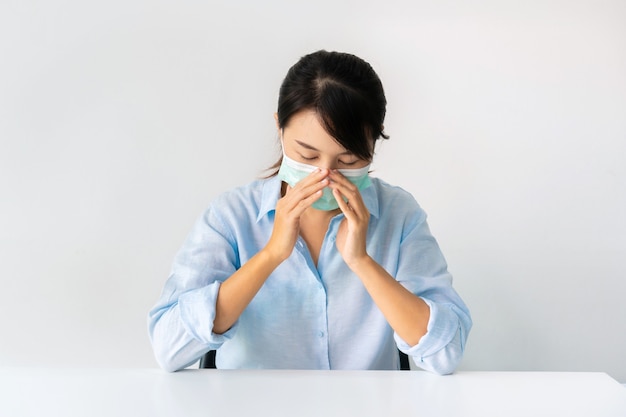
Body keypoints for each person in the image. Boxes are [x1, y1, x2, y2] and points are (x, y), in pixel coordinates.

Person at [148, 50, 472, 374]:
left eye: (348, 162)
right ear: (279, 127)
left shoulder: (399, 216)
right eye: (307, 155)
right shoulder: (231, 217)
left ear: (373, 143)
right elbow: (168, 348)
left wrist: (362, 262)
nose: (325, 175)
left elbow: (446, 354)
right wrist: (272, 254)